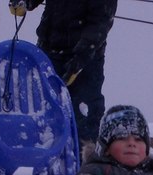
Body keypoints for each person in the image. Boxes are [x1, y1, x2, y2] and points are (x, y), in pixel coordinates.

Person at [11, 0, 118, 146]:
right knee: (43, 116)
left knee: (83, 117)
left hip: (86, 59)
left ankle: (83, 164)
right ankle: (45, 162)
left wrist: (80, 59)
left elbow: (99, 22)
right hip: (49, 51)